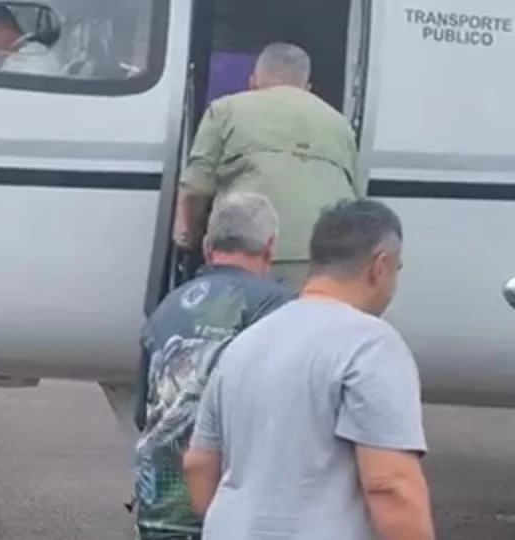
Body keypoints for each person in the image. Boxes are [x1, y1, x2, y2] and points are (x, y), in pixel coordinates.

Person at [184, 199, 434, 540]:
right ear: (380, 265)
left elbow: (198, 464)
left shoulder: (245, 343)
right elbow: (390, 486)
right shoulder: (372, 345)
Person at [134, 193, 294, 540]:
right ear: (269, 248)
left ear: (207, 248)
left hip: (160, 513)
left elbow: (141, 413)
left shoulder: (167, 308)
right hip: (235, 516)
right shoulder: (278, 308)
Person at [173, 42, 363, 289]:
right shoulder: (340, 125)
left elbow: (195, 189)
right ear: (307, 88)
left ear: (253, 82)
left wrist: (188, 237)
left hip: (250, 256)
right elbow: (357, 201)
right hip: (326, 262)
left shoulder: (225, 111)